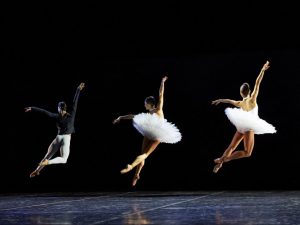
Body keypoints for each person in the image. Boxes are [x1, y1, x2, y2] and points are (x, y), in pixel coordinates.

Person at [113, 76, 181, 186]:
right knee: (143, 154)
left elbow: (161, 94)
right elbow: (133, 116)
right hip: (150, 133)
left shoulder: (158, 109)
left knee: (144, 154)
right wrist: (121, 117)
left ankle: (132, 167)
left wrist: (162, 82)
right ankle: (136, 173)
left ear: (149, 103)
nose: (144, 105)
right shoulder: (148, 114)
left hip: (158, 134)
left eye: (145, 103)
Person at [212, 61, 276, 173]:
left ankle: (219, 164)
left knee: (231, 147)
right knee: (247, 153)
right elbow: (257, 83)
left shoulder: (240, 103)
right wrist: (262, 70)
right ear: (249, 91)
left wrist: (220, 100)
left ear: (241, 93)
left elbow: (230, 101)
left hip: (241, 126)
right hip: (248, 127)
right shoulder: (252, 100)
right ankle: (224, 159)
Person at [25, 82, 85, 178]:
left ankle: (36, 171)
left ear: (59, 108)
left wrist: (32, 108)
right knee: (64, 159)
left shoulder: (56, 116)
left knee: (47, 155)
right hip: (66, 138)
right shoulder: (72, 113)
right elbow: (75, 101)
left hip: (57, 138)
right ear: (66, 108)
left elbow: (44, 112)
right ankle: (48, 162)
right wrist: (78, 90)